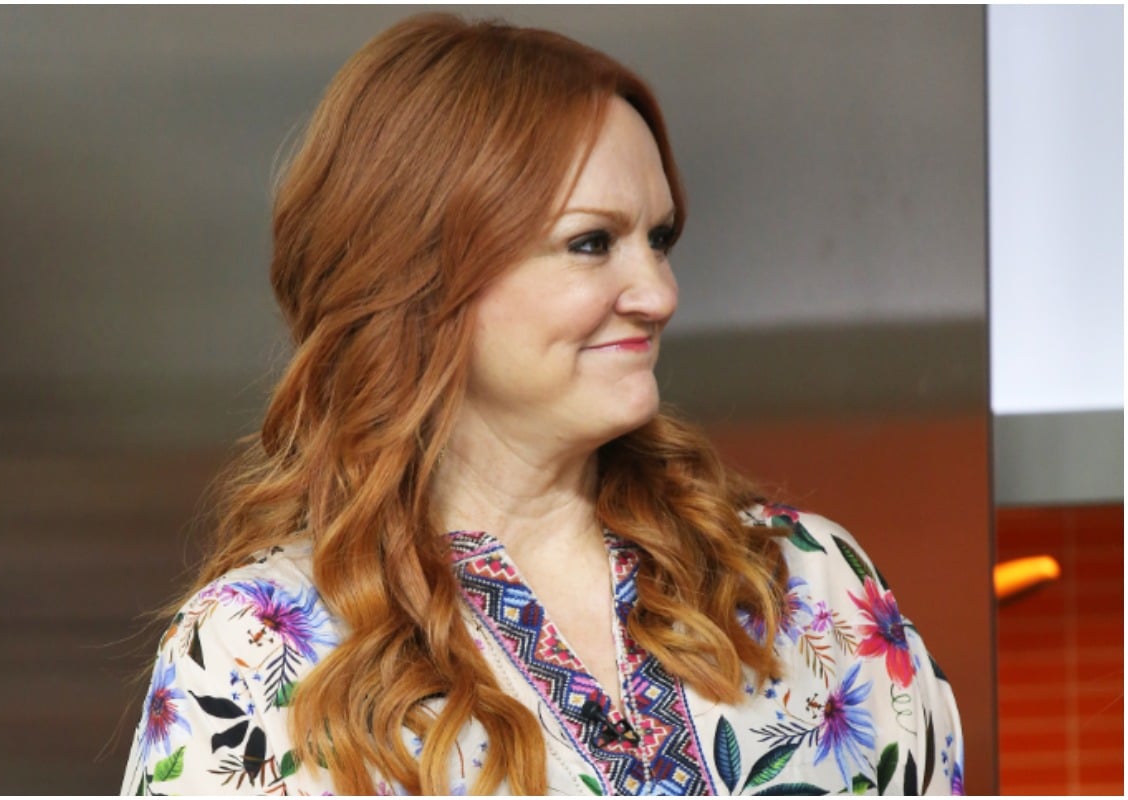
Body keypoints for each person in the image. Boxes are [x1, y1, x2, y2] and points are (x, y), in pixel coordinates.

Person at [122, 14, 964, 796]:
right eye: (591, 243)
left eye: (659, 238)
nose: (659, 293)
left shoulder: (809, 586)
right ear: (421, 280)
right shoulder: (253, 655)